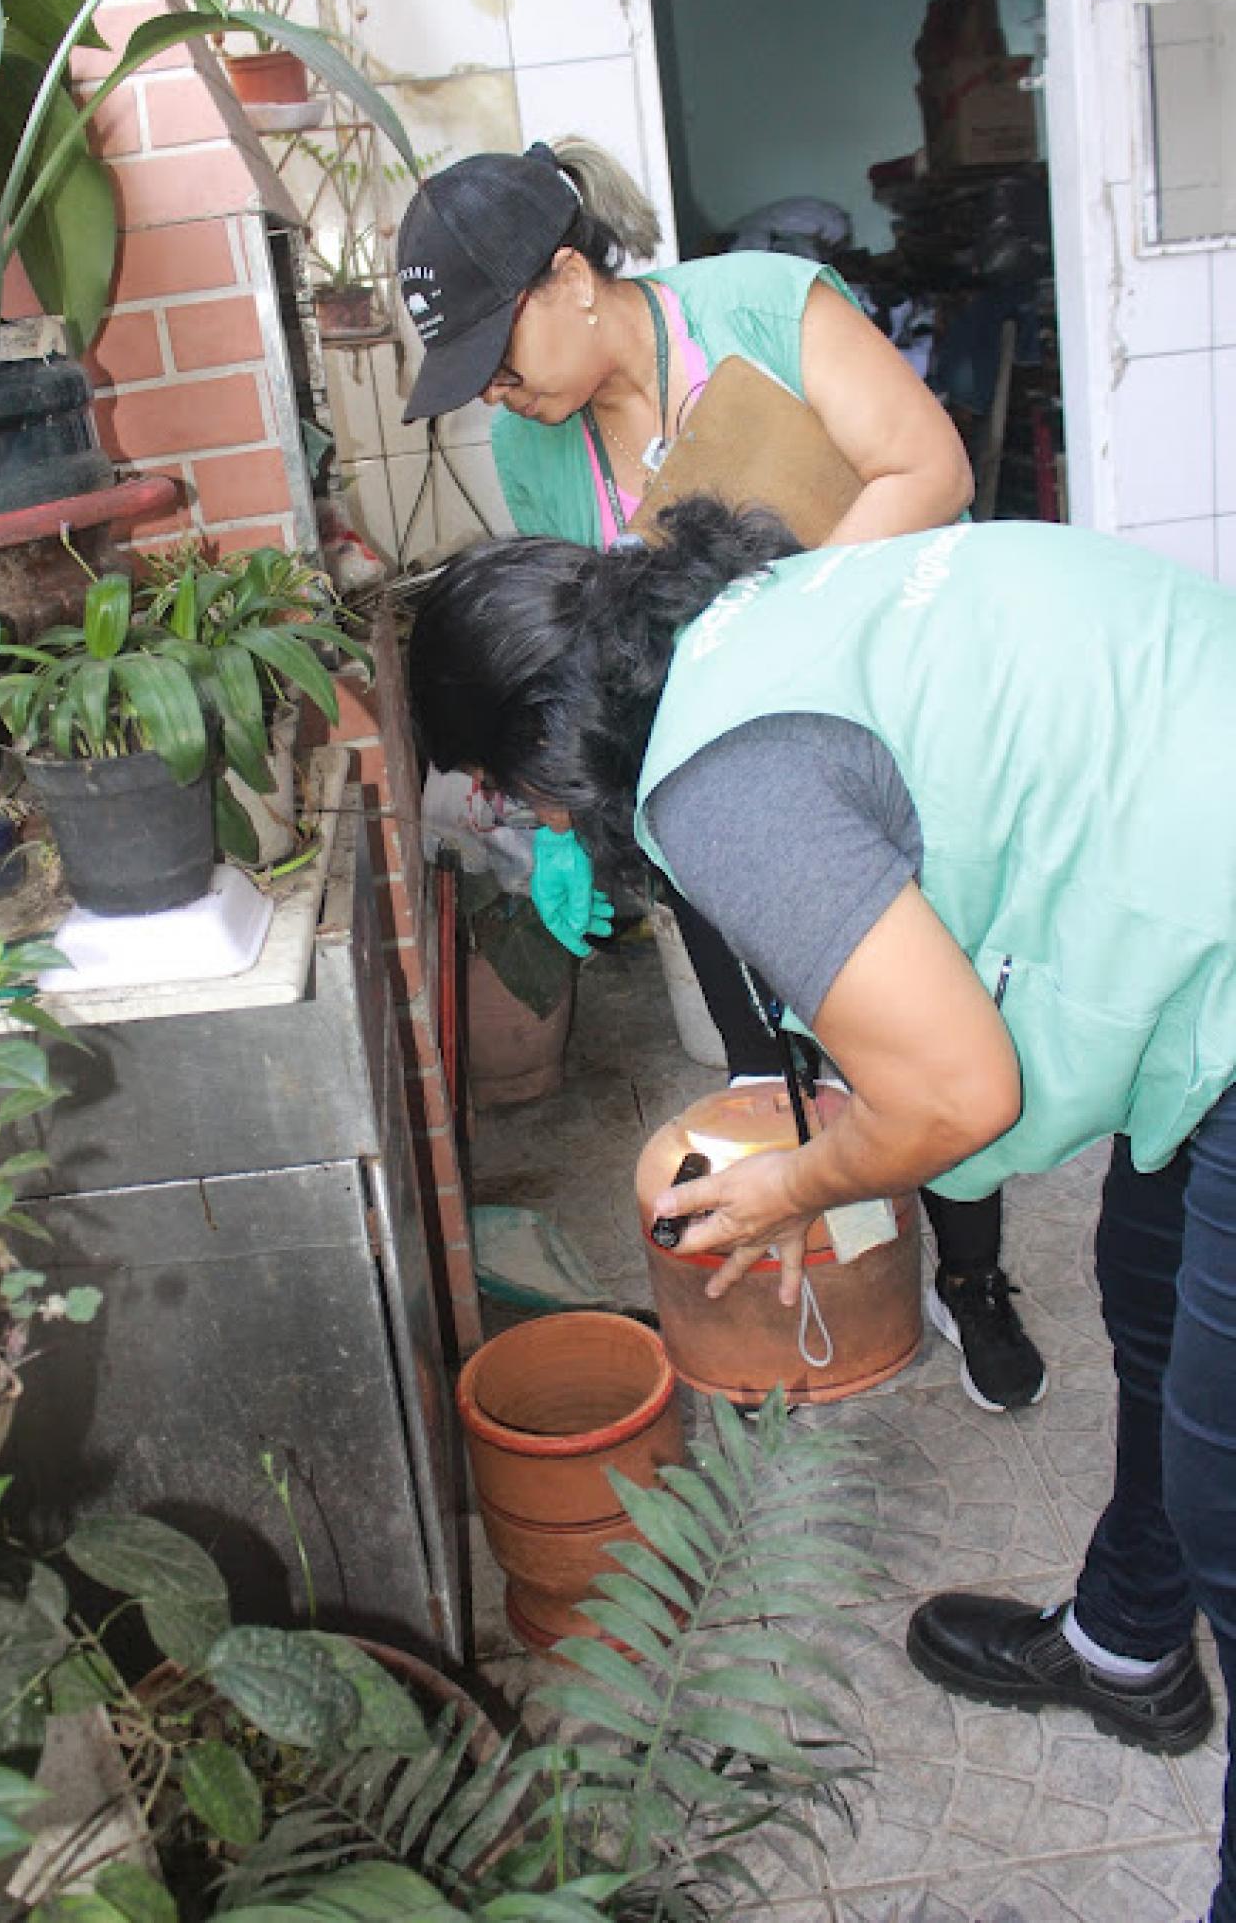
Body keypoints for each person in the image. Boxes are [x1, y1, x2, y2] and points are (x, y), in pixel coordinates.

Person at [406, 502, 1236, 1922]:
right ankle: (1129, 1639)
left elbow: (956, 1092)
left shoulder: (719, 782)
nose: (530, 823)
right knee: (1153, 1295)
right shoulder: (765, 614)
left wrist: (792, 1183)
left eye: (506, 792)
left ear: (537, 754)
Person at [398, 137, 1043, 1411]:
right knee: (771, 1042)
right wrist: (575, 822)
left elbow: (931, 471)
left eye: (497, 353)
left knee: (927, 1019)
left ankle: (969, 1275)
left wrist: (760, 631)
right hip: (710, 770)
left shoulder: (762, 306)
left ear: (570, 277)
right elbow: (583, 652)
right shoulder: (538, 449)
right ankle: (821, 1259)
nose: (496, 396)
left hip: (879, 722)